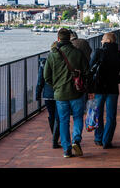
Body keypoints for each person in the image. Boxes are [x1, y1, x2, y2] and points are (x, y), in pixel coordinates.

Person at [44, 28, 89, 158]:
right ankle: (76, 139)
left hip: (60, 94)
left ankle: (66, 149)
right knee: (78, 117)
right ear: (69, 38)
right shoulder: (77, 53)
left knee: (63, 121)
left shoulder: (52, 55)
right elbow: (87, 71)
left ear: (58, 39)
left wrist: (56, 86)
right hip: (76, 92)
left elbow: (46, 76)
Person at [90, 32, 120, 149]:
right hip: (113, 89)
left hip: (99, 88)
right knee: (111, 116)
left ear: (106, 41)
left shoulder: (98, 52)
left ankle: (98, 138)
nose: (101, 41)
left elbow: (90, 69)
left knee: (98, 114)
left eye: (102, 39)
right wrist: (117, 80)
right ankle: (107, 140)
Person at [36, 41, 60, 149]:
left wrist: (38, 94)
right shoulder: (62, 61)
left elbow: (40, 80)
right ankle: (55, 138)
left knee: (51, 116)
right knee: (58, 117)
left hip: (47, 94)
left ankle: (53, 136)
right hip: (60, 93)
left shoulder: (43, 63)